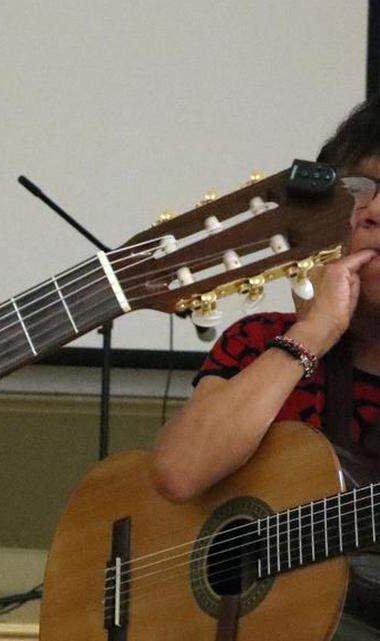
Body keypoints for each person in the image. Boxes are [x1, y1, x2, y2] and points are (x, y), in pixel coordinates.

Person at [152, 93, 380, 639]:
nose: (371, 212)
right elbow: (179, 472)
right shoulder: (260, 342)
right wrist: (313, 334)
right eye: (359, 192)